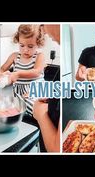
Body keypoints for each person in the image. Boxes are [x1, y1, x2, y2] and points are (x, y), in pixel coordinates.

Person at [0, 24, 45, 115]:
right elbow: (1, 69)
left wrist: (17, 74)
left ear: (38, 44)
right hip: (19, 92)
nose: (25, 50)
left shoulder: (39, 56)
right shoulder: (15, 56)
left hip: (35, 89)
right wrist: (0, 75)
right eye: (22, 45)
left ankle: (40, 112)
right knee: (8, 104)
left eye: (30, 46)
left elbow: (37, 72)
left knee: (33, 105)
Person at [32, 24, 60, 152]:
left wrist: (41, 115)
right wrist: (53, 98)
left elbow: (56, 149)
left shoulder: (40, 56)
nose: (44, 29)